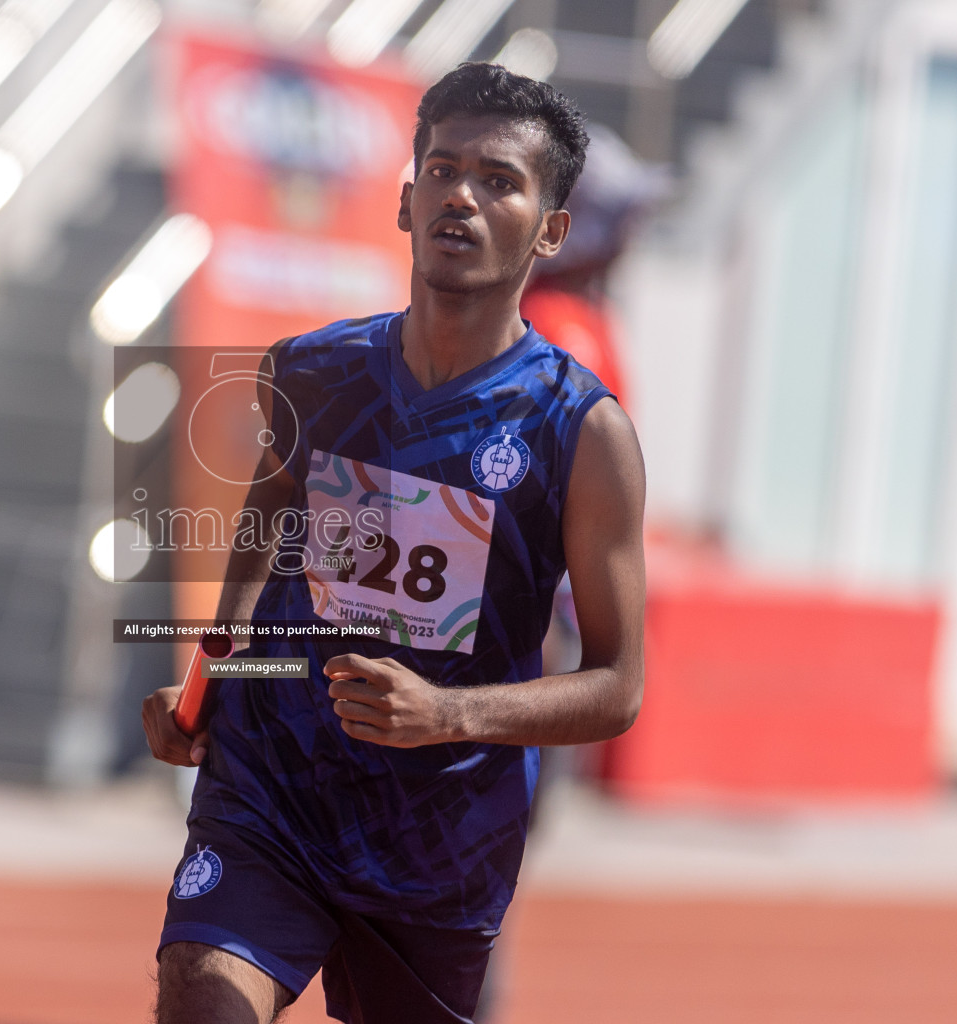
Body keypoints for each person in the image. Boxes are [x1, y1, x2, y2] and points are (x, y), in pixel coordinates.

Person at [141, 62, 646, 1024]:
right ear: (408, 203)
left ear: (551, 228)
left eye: (500, 180)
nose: (464, 193)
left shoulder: (582, 433)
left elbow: (619, 686)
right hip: (273, 797)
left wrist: (447, 716)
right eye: (445, 171)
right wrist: (211, 684)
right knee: (203, 1001)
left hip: (438, 839)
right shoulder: (310, 372)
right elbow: (266, 532)